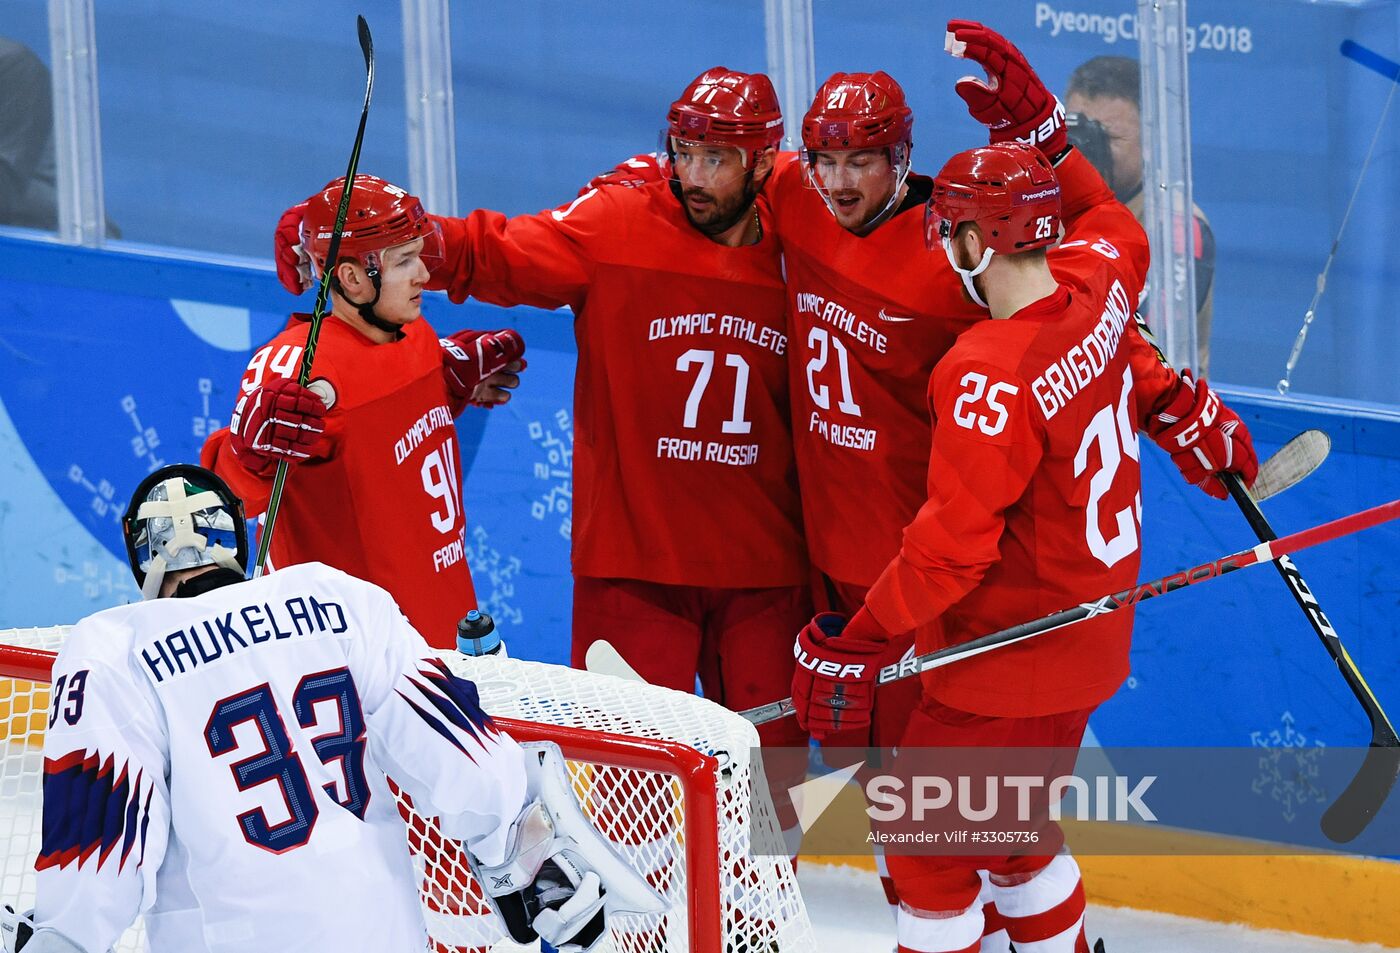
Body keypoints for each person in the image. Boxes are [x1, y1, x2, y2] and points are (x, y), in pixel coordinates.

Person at [787, 129, 1259, 951]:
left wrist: (860, 640)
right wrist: (1044, 129)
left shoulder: (985, 373)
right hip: (1086, 648)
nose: (941, 247)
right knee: (1013, 836)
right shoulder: (1100, 287)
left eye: (947, 232)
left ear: (975, 239)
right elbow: (1114, 218)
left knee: (927, 857)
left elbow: (948, 550)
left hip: (998, 665)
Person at [276, 68, 811, 773]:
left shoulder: (810, 222)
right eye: (683, 152)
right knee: (630, 794)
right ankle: (640, 890)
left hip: (767, 571)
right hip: (633, 566)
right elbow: (490, 251)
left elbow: (907, 229)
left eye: (717, 159)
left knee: (778, 793)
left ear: (764, 161)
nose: (694, 175)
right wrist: (364, 239)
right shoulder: (619, 221)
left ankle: (767, 888)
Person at [19, 464, 649, 953]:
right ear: (235, 535)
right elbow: (468, 762)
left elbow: (96, 862)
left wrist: (61, 935)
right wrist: (528, 854)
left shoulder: (113, 648)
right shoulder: (338, 596)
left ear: (142, 560)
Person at [201, 175, 526, 648]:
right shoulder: (296, 368)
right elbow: (226, 505)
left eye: (419, 254)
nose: (423, 275)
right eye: (404, 261)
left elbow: (383, 443)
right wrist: (246, 456)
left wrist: (447, 385)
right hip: (355, 653)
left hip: (448, 620)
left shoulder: (415, 338)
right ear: (351, 278)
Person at [1065, 54, 1216, 376]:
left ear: (1151, 141)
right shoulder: (1044, 202)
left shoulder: (1177, 227)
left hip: (1149, 415)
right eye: (1079, 131)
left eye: (1108, 137)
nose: (1088, 148)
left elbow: (1150, 347)